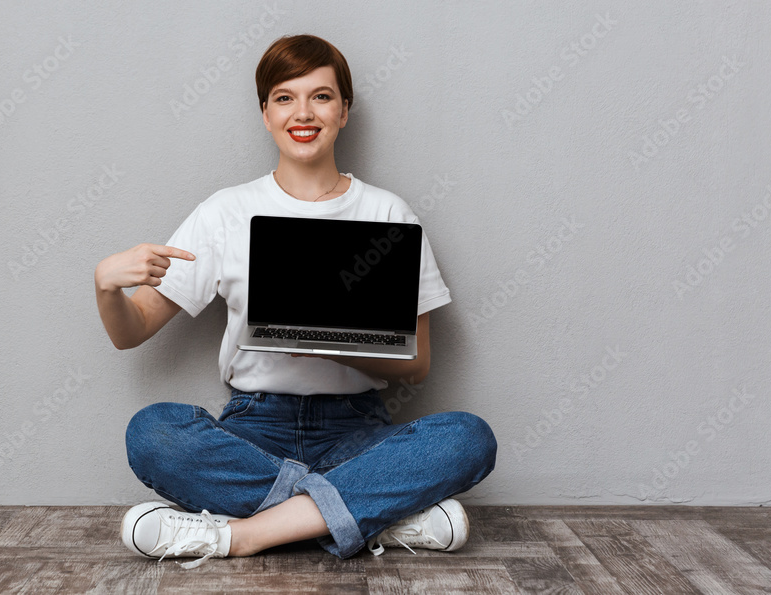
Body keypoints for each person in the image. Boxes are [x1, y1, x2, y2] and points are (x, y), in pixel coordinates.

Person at [94, 34, 496, 570]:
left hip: (355, 429)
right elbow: (131, 331)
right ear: (265, 113)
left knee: (469, 438)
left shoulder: (387, 214)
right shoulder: (225, 212)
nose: (303, 113)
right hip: (253, 429)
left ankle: (241, 536)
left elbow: (417, 365)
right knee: (153, 433)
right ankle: (375, 513)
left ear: (345, 110)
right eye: (285, 98)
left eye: (321, 96)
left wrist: (327, 343)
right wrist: (106, 286)